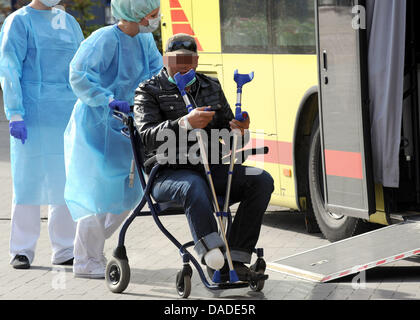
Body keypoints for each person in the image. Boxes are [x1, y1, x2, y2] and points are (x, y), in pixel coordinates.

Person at [134, 33, 274, 281]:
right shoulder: (148, 90)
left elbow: (230, 138)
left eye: (189, 59)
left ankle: (238, 257)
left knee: (261, 179)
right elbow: (146, 135)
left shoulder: (211, 86)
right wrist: (184, 123)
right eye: (177, 59)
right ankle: (213, 253)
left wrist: (240, 130)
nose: (184, 65)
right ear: (166, 59)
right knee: (193, 185)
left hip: (210, 166)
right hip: (166, 173)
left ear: (197, 60)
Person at [64, 0, 163, 279]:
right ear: (135, 13)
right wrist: (107, 99)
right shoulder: (103, 39)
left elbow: (156, 74)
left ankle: (90, 248)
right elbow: (79, 75)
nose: (155, 19)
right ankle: (85, 260)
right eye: (152, 14)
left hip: (128, 126)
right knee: (98, 196)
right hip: (97, 126)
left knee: (129, 195)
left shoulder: (145, 41)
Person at [0, 0, 84, 269]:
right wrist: (15, 112)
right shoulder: (18, 21)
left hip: (67, 113)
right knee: (28, 181)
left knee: (64, 181)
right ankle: (22, 250)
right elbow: (9, 66)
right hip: (32, 115)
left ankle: (65, 249)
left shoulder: (69, 23)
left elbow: (81, 67)